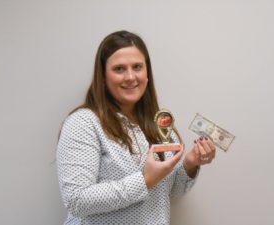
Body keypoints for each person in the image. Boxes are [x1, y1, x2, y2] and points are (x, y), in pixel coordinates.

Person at [56, 30, 216, 225]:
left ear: (147, 73)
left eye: (137, 67)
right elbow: (76, 200)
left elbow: (173, 191)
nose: (130, 77)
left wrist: (191, 164)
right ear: (103, 76)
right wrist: (145, 180)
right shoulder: (84, 122)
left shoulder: (160, 126)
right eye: (119, 69)